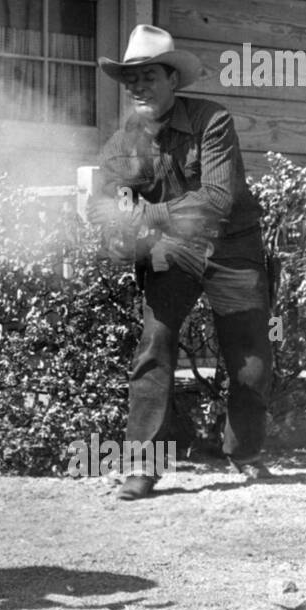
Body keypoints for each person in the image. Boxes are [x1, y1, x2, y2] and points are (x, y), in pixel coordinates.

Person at [86, 25, 273, 500]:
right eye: (132, 81)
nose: (139, 88)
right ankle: (143, 468)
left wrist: (145, 214)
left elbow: (216, 199)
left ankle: (246, 453)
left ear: (173, 80)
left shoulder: (213, 121)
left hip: (232, 246)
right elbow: (103, 204)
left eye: (149, 77)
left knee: (249, 354)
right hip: (174, 252)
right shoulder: (125, 142)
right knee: (154, 345)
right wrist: (116, 233)